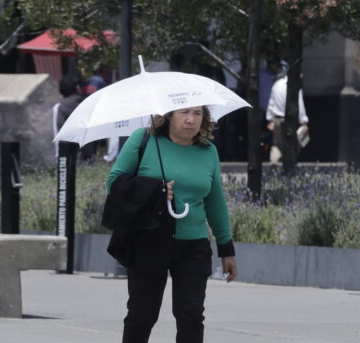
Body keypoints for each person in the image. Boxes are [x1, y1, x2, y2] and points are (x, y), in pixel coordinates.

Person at [106, 106, 238, 343]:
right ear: (168, 115)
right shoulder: (144, 139)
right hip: (149, 240)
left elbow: (215, 201)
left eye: (198, 114)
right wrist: (155, 191)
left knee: (191, 315)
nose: (191, 120)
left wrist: (226, 248)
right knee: (142, 315)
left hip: (193, 244)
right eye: (184, 112)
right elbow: (114, 182)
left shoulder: (208, 151)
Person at [265, 67, 309, 164]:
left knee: (277, 145)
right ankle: (290, 165)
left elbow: (271, 102)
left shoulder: (276, 85)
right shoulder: (294, 85)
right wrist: (304, 122)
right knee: (294, 143)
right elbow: (299, 104)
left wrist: (270, 119)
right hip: (290, 119)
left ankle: (274, 166)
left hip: (276, 119)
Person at [53, 75, 85, 158]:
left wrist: (58, 155)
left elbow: (57, 131)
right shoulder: (85, 103)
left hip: (65, 149)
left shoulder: (60, 107)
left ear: (61, 90)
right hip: (83, 149)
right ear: (76, 88)